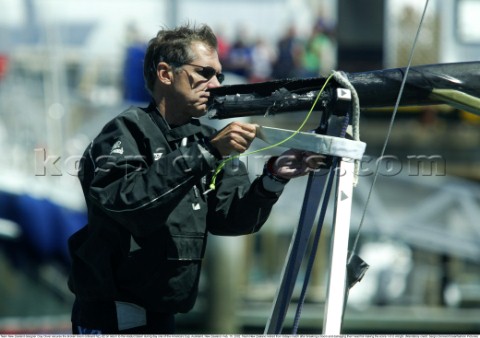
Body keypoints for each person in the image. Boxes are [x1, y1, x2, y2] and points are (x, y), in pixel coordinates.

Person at [67, 23, 323, 334]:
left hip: (164, 319)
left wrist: (273, 177)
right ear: (165, 73)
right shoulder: (124, 132)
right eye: (204, 73)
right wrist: (206, 153)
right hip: (111, 321)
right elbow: (129, 202)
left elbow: (230, 218)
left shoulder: (205, 139)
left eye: (219, 76)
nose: (215, 84)